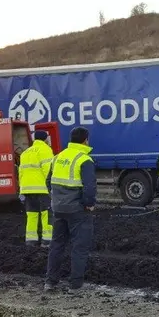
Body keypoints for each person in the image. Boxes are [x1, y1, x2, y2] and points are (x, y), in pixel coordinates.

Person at [43, 126, 97, 293]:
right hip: (77, 211)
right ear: (85, 140)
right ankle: (75, 285)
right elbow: (89, 187)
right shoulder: (84, 160)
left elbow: (48, 181)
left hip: (58, 209)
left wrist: (57, 199)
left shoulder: (58, 157)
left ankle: (50, 282)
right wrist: (89, 204)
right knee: (79, 247)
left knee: (57, 245)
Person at [18, 130, 54, 247]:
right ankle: (47, 241)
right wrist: (52, 187)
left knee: (32, 215)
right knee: (46, 214)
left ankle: (31, 240)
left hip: (27, 190)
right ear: (45, 139)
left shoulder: (25, 153)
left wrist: (21, 190)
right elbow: (48, 171)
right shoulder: (46, 150)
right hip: (42, 189)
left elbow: (21, 173)